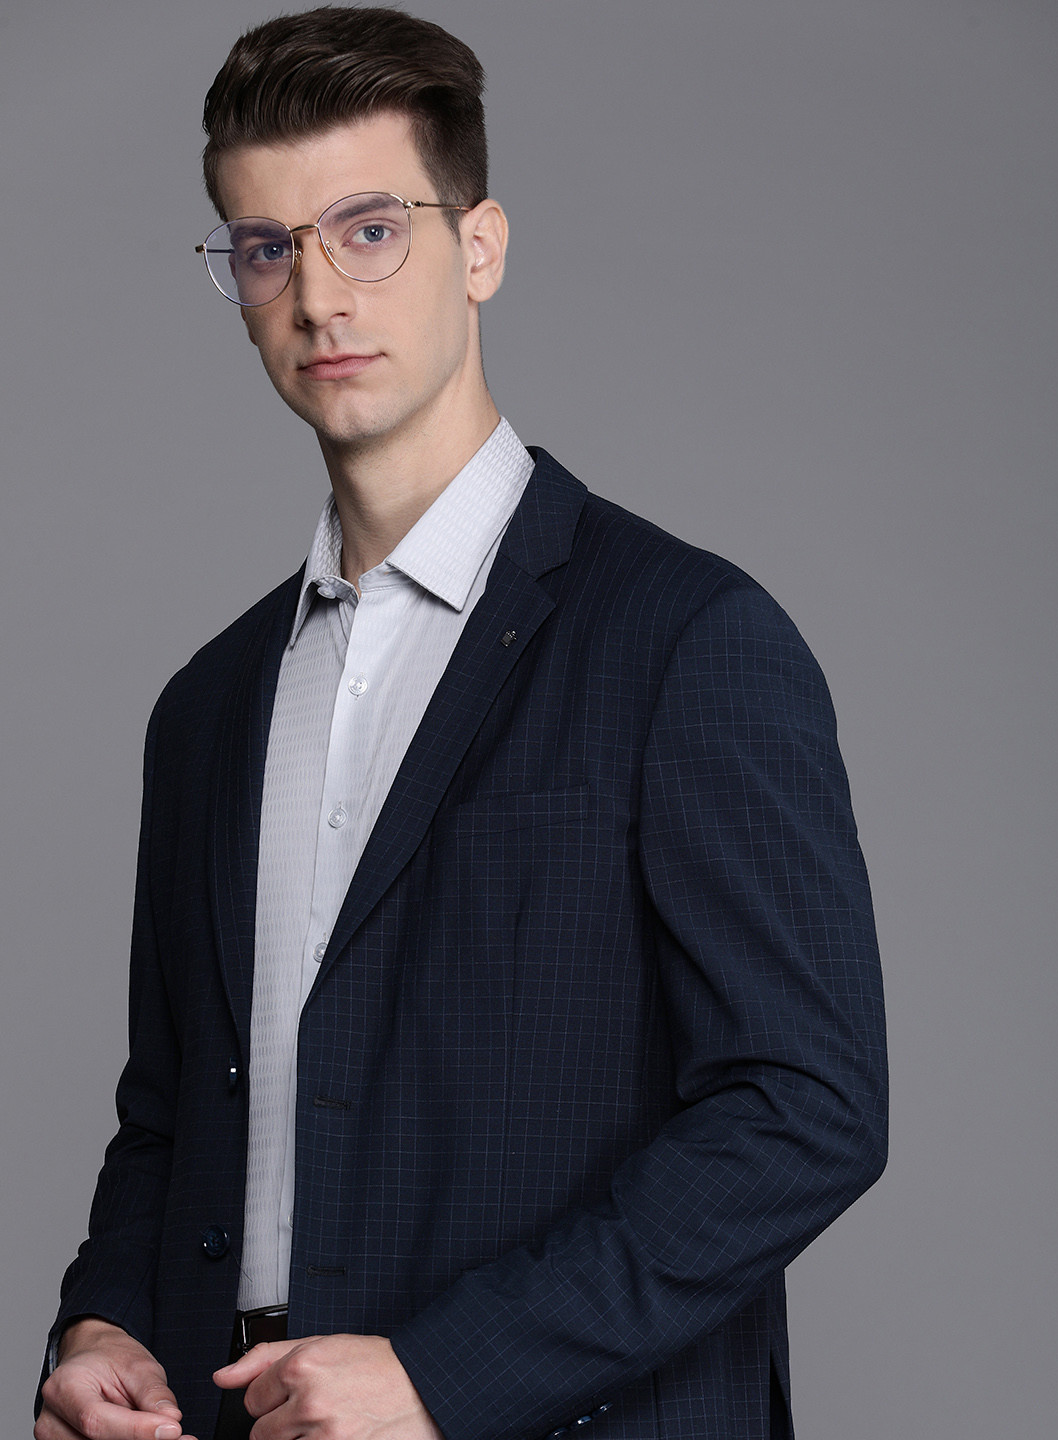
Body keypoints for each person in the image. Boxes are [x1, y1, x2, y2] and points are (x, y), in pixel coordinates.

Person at [35, 8, 888, 1440]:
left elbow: (805, 1110)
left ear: (480, 247)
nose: (319, 296)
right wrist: (103, 1319)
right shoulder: (209, 706)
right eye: (268, 248)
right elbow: (176, 1111)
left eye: (370, 231)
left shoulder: (685, 639)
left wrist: (448, 1374)